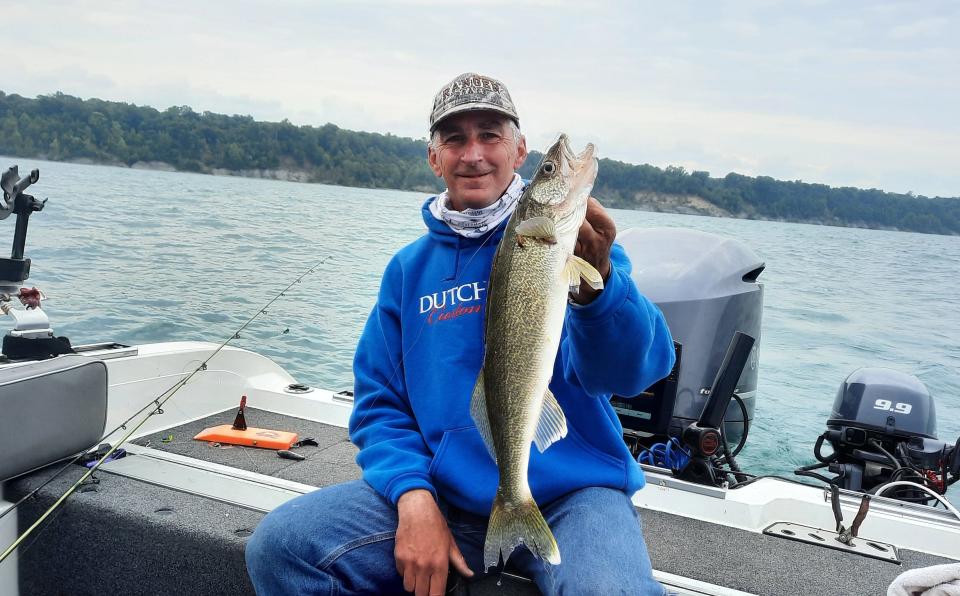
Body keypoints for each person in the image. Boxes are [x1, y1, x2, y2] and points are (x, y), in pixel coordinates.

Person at [245, 72, 676, 596]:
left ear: (518, 151)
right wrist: (412, 495)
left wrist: (600, 290)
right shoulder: (408, 271)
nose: (474, 154)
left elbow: (634, 374)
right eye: (455, 138)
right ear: (435, 158)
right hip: (446, 494)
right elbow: (379, 403)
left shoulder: (582, 245)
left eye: (490, 135)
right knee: (283, 548)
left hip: (577, 493)